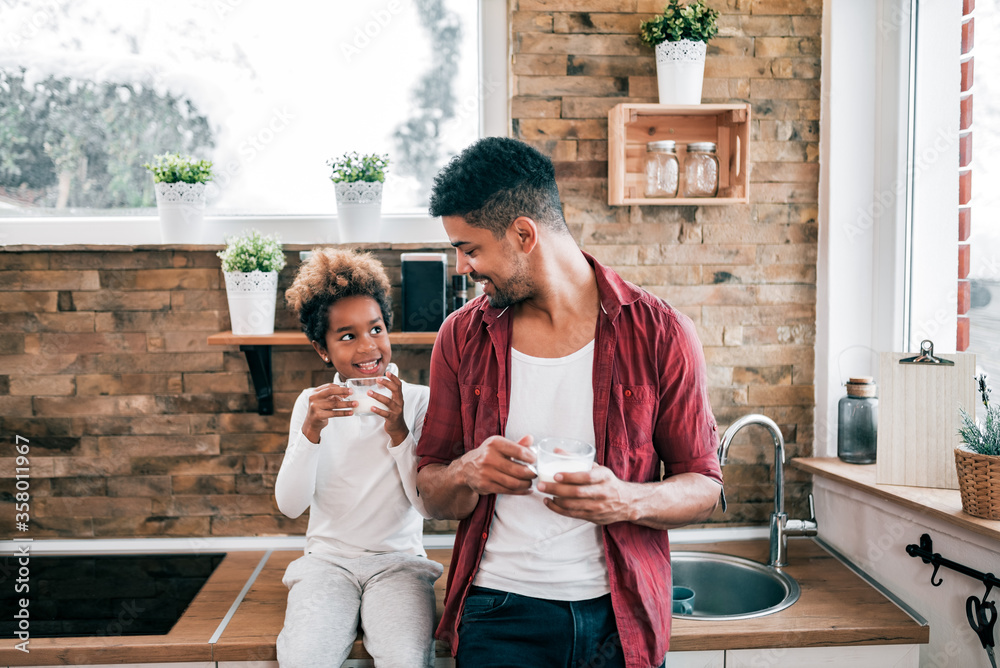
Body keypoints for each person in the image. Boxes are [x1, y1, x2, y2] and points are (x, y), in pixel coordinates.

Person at [414, 137, 725, 668]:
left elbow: (705, 486)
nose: (462, 266)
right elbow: (429, 492)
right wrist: (468, 471)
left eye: (469, 248)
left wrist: (626, 500)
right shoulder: (460, 338)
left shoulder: (661, 333)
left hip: (621, 618)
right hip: (498, 614)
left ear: (523, 234)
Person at [275, 248, 443, 668]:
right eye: (347, 336)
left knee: (406, 659)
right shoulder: (311, 405)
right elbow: (290, 506)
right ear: (322, 349)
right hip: (326, 563)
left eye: (376, 329)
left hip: (400, 564)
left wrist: (400, 432)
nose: (369, 347)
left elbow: (428, 506)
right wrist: (311, 431)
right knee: (305, 659)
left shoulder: (419, 402)